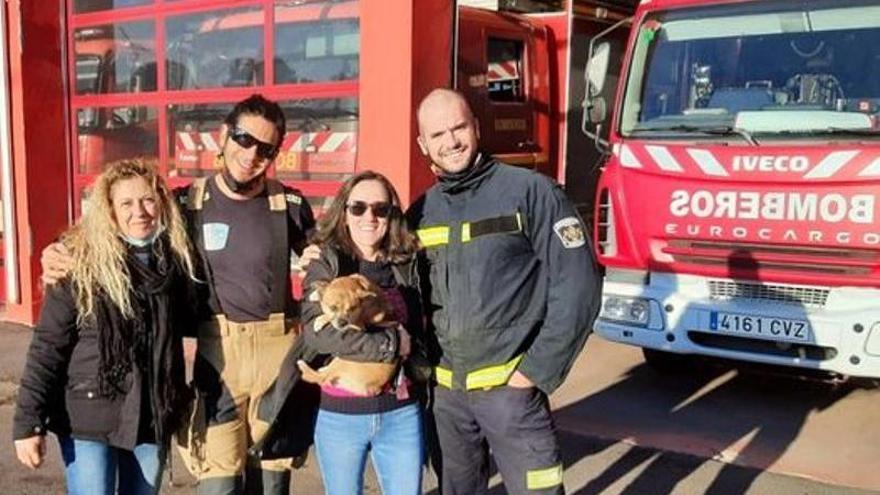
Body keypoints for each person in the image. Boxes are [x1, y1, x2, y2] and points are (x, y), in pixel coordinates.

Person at [40, 94, 316, 495]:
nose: (251, 153)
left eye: (265, 148)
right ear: (223, 136)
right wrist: (60, 247)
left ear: (275, 153)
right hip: (218, 363)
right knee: (218, 486)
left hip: (277, 364)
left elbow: (324, 257)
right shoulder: (186, 203)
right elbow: (121, 225)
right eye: (243, 139)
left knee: (271, 485)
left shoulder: (289, 205)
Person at [407, 88, 602, 495]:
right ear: (423, 144)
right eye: (438, 134)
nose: (451, 142)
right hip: (447, 400)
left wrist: (536, 371)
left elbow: (578, 287)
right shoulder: (420, 212)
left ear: (476, 127)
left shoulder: (532, 192)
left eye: (459, 127)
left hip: (512, 395)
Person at [13, 158, 197, 495]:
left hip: (150, 416)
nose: (139, 211)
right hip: (87, 416)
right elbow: (48, 346)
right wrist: (28, 423)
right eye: (126, 203)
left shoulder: (175, 263)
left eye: (148, 200)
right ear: (110, 210)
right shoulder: (77, 262)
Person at [296, 171, 427, 495]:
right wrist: (392, 344)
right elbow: (317, 333)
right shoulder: (326, 261)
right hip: (341, 416)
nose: (369, 216)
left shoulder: (407, 261)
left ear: (391, 215)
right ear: (344, 211)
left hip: (401, 414)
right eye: (358, 208)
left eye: (380, 209)